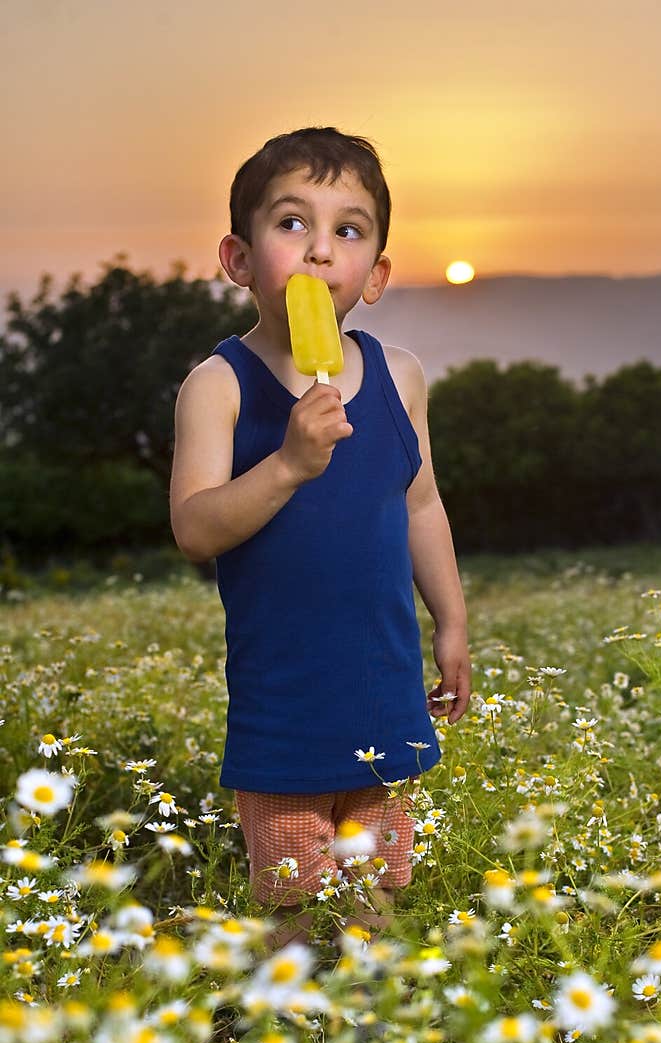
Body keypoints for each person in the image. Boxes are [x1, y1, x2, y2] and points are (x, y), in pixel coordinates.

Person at [169, 126, 471, 950]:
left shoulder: (400, 375)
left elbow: (421, 506)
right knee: (297, 911)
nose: (317, 251)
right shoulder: (219, 385)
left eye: (347, 230)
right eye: (291, 224)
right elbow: (196, 528)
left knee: (372, 902)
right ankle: (294, 1042)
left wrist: (450, 621)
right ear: (237, 258)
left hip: (383, 689)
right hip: (285, 709)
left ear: (374, 274)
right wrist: (288, 464)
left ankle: (366, 1042)